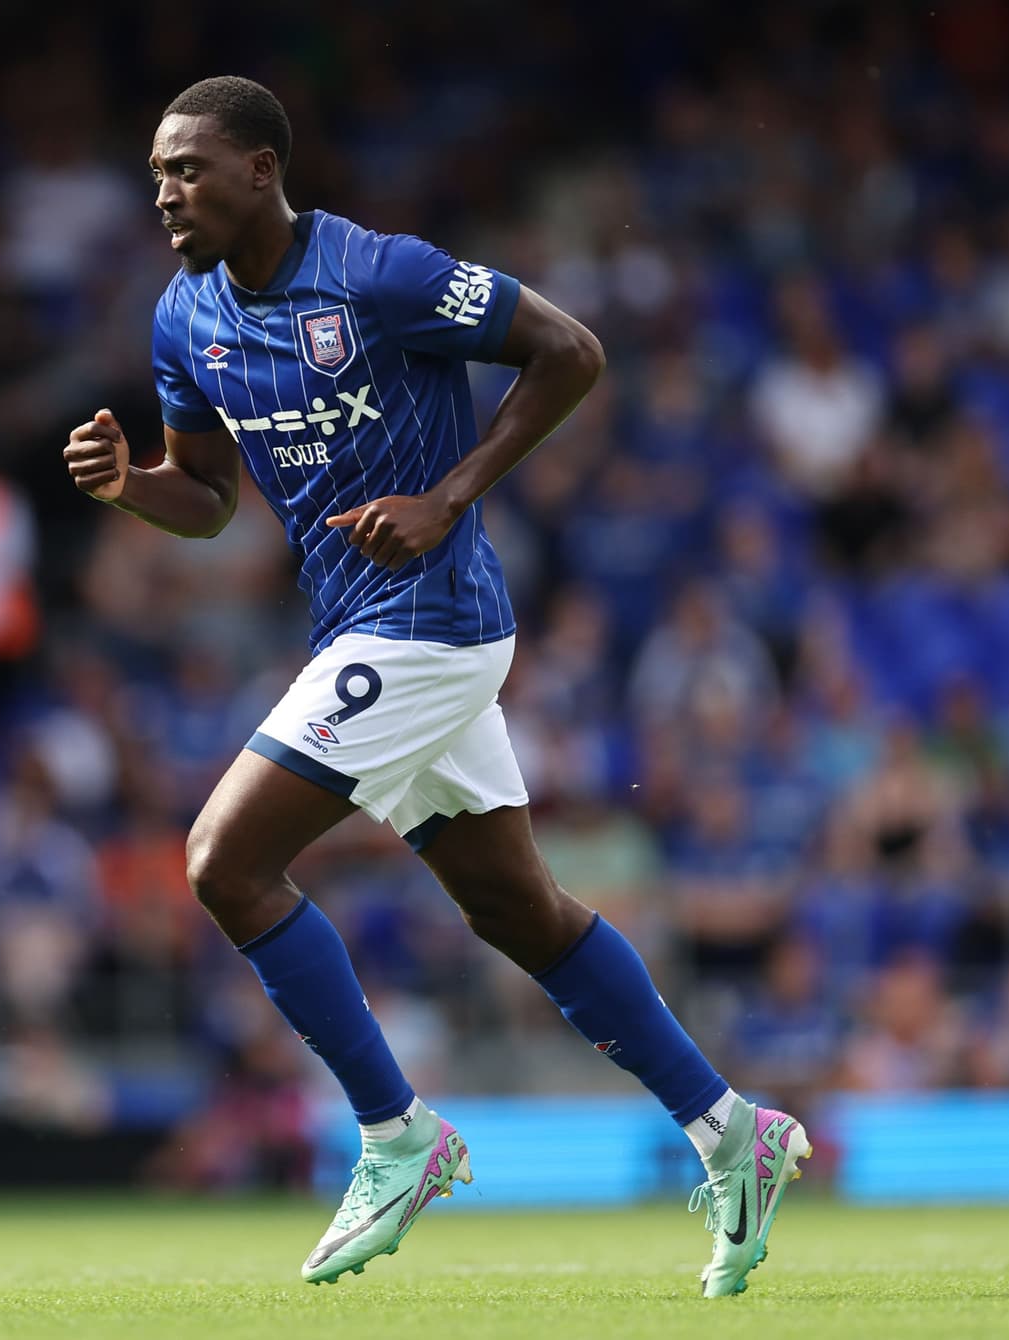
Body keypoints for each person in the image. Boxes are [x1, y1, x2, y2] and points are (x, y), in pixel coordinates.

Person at [62, 76, 808, 1296]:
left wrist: (448, 496)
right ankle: (732, 1129)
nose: (165, 194)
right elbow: (204, 500)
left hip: (434, 619)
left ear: (261, 169)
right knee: (519, 909)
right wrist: (126, 484)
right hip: (364, 627)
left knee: (224, 861)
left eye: (189, 168)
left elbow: (572, 351)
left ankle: (396, 1132)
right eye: (155, 173)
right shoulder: (183, 318)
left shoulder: (380, 275)